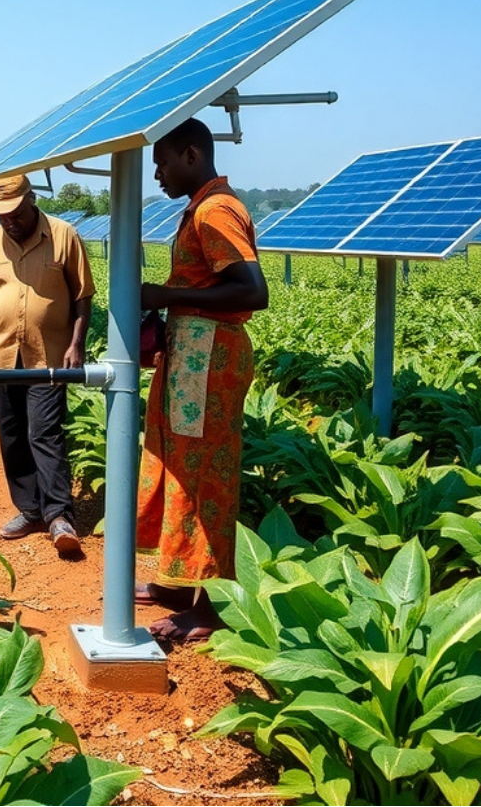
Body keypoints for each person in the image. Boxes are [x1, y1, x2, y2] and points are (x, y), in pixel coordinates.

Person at [136, 117, 269, 643]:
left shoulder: (215, 211)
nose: (159, 175)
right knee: (182, 469)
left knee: (206, 478)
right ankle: (180, 581)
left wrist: (165, 297)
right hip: (195, 358)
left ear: (190, 155)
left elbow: (252, 291)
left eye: (162, 163)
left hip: (209, 362)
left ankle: (212, 607)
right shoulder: (204, 207)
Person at [0, 174, 94, 556]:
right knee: (10, 434)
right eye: (1, 215)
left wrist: (77, 344)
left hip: (48, 355)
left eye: (15, 213)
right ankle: (30, 509)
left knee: (44, 432)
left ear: (31, 200)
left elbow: (83, 293)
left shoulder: (63, 235)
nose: (9, 221)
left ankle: (59, 515)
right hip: (2, 355)